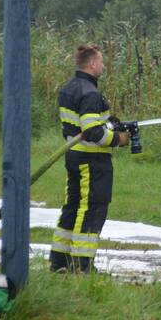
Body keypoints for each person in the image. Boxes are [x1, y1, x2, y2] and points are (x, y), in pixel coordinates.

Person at [48, 44, 129, 273]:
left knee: (72, 207)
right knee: (92, 209)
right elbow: (93, 132)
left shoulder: (69, 88)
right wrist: (119, 139)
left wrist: (110, 122)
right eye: (101, 62)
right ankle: (82, 266)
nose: (103, 65)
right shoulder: (91, 93)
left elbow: (82, 124)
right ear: (93, 64)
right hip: (92, 161)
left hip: (74, 157)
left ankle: (59, 262)